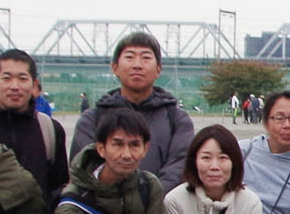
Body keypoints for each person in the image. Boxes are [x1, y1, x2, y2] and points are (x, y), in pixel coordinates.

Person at [44, 106, 169, 214]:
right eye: (117, 144)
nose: (126, 154)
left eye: (134, 145)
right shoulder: (74, 200)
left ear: (145, 148)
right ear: (101, 148)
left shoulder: (148, 185)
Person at [68, 31, 195, 175]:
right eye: (129, 57)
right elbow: (86, 167)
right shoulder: (92, 119)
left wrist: (150, 193)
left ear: (158, 70)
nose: (137, 65)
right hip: (104, 197)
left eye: (146, 58)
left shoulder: (177, 119)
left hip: (160, 197)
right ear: (115, 67)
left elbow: (179, 166)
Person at [0, 49, 70, 214]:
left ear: (34, 85)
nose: (14, 86)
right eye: (6, 78)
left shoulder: (50, 130)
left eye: (22, 79)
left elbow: (58, 187)